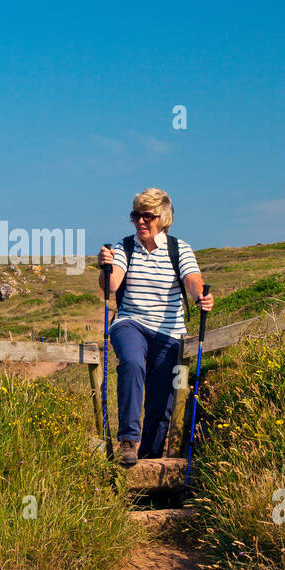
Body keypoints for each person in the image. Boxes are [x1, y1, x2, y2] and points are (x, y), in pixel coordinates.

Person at [97, 188, 214, 465]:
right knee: (132, 363)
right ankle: (128, 440)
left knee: (162, 399)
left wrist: (201, 296)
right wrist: (106, 267)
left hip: (170, 330)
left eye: (147, 216)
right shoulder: (124, 246)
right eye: (135, 215)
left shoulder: (178, 248)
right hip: (130, 322)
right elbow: (112, 286)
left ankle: (149, 457)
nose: (140, 222)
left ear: (162, 219)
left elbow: (192, 279)